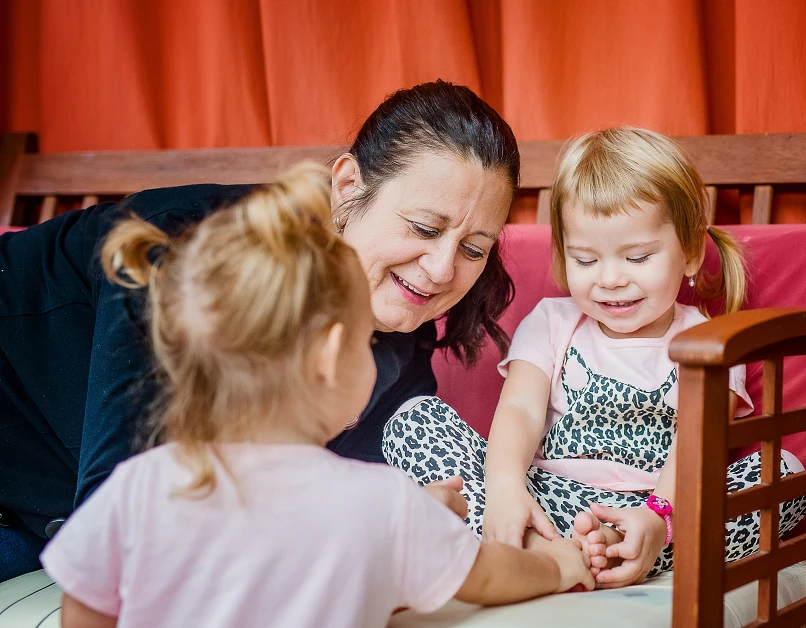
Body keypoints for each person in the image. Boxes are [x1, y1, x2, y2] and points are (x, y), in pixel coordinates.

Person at [40, 163, 594, 628]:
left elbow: (82, 623)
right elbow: (490, 574)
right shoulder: (384, 506)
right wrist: (561, 566)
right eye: (364, 341)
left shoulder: (140, 484)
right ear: (331, 357)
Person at [0, 80, 519, 582]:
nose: (443, 270)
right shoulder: (188, 254)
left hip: (39, 517)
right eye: (424, 228)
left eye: (474, 248)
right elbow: (119, 532)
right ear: (347, 187)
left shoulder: (400, 337)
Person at [383, 127, 806, 587]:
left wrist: (657, 520)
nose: (610, 279)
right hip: (548, 498)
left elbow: (697, 445)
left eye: (637, 257)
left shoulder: (709, 340)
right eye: (586, 261)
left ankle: (614, 554)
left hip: (655, 509)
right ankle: (535, 541)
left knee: (785, 476)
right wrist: (507, 487)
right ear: (565, 259)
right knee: (413, 420)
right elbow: (521, 411)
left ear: (688, 251)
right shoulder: (551, 322)